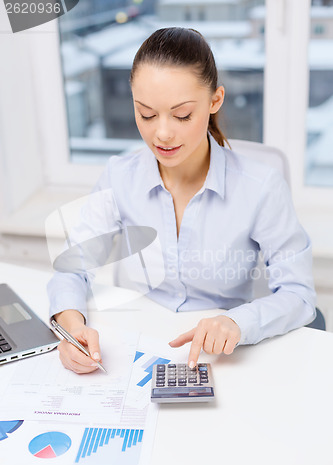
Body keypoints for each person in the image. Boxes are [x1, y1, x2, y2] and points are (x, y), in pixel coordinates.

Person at [48, 27, 316, 374]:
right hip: (135, 349)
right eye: (146, 114)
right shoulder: (120, 176)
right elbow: (73, 266)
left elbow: (299, 294)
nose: (162, 133)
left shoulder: (260, 187)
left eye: (182, 115)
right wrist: (71, 327)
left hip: (223, 357)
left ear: (215, 100)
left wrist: (238, 322)